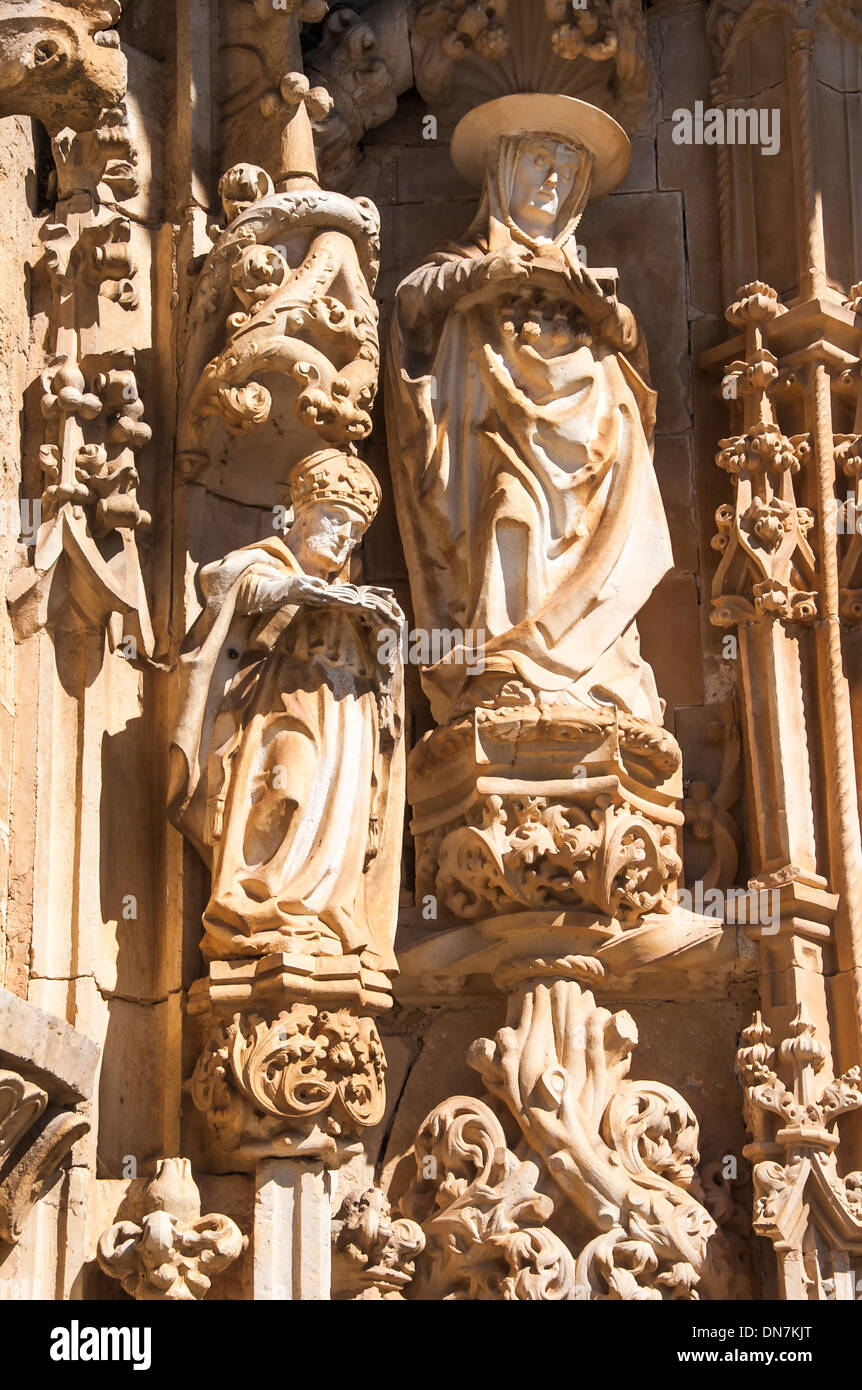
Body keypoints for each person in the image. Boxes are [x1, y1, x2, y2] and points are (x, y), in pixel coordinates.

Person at [386, 94, 672, 728]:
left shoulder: (584, 275)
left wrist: (606, 316)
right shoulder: (458, 263)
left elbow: (634, 363)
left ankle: (587, 670)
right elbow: (410, 310)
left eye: (566, 173)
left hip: (591, 443)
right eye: (540, 161)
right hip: (492, 431)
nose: (552, 180)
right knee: (509, 510)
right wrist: (480, 277)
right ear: (504, 171)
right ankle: (501, 659)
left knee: (589, 544)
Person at [168, 448, 404, 969]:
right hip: (283, 703)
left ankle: (319, 912)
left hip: (346, 716)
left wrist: (380, 621)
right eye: (335, 520)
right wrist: (296, 588)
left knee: (334, 810)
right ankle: (256, 904)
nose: (345, 537)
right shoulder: (268, 560)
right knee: (286, 790)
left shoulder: (349, 592)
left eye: (356, 531)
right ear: (302, 515)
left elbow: (381, 668)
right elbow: (224, 585)